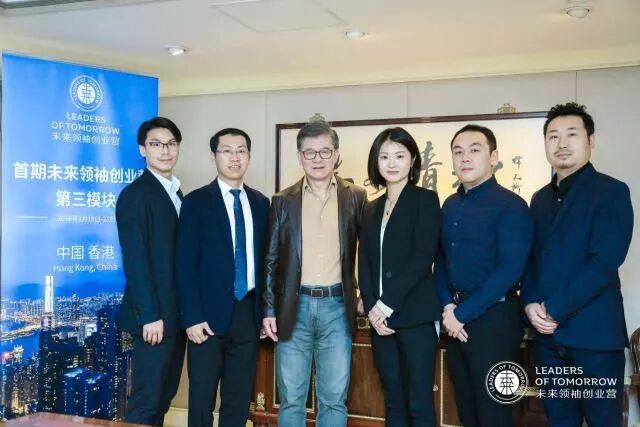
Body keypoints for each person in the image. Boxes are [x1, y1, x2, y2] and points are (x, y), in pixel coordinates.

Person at [522, 103, 633, 427]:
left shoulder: (612, 192)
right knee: (559, 421)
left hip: (595, 338)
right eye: (553, 136)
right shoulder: (539, 199)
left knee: (602, 421)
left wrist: (553, 309)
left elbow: (604, 262)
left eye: (572, 134)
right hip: (548, 340)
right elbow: (532, 261)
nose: (562, 143)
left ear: (590, 140)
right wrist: (530, 303)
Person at [262, 120, 367, 426]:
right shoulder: (282, 201)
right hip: (294, 307)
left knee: (333, 398)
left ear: (336, 154)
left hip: (337, 307)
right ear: (299, 156)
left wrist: (366, 293)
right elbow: (270, 259)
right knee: (291, 398)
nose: (318, 159)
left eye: (325, 151)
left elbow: (369, 252)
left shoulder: (355, 196)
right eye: (310, 152)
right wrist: (269, 309)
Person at [436, 124, 533, 427]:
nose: (465, 158)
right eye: (458, 152)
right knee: (466, 409)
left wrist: (461, 313)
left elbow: (510, 271)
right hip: (455, 321)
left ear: (493, 157)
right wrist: (448, 307)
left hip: (495, 321)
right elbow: (440, 261)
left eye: (474, 150)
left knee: (493, 413)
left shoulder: (512, 205)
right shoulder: (450, 205)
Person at [175, 128, 269, 427]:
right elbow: (184, 265)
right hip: (205, 317)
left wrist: (266, 311)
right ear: (214, 156)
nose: (234, 157)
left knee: (238, 398)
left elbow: (268, 262)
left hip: (248, 313)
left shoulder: (261, 203)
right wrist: (191, 317)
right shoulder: (196, 202)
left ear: (249, 156)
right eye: (226, 150)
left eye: (241, 151)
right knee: (202, 398)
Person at [358, 127, 441, 426]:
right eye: (384, 157)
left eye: (399, 156)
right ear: (376, 162)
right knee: (392, 400)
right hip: (380, 321)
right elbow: (365, 263)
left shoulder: (425, 200)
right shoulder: (371, 208)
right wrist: (372, 308)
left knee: (419, 400)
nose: (391, 163)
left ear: (413, 160)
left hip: (415, 316)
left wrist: (385, 305)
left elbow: (422, 258)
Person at [116, 117, 186, 426]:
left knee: (163, 398)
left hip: (176, 316)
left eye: (171, 144)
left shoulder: (176, 192)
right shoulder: (135, 194)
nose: (165, 151)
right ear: (142, 149)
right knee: (145, 404)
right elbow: (136, 260)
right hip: (154, 319)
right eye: (156, 144)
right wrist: (149, 316)